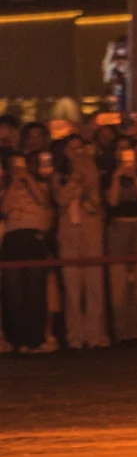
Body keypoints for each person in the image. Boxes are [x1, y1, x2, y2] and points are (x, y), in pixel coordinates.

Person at [52, 135, 109, 349]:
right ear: (65, 152)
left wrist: (86, 185)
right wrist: (75, 178)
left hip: (91, 231)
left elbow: (96, 204)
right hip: (69, 233)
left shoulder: (94, 172)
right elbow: (61, 199)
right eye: (72, 149)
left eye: (80, 148)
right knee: (72, 288)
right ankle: (74, 334)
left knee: (94, 284)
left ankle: (95, 334)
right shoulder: (59, 174)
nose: (76, 153)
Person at [0, 150, 56, 353]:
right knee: (13, 290)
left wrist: (27, 178)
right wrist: (14, 184)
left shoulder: (39, 184)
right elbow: (4, 209)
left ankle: (36, 339)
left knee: (35, 289)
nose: (19, 169)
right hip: (13, 238)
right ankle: (17, 339)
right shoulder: (6, 189)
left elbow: (43, 200)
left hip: (34, 237)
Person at [105, 139, 137, 344]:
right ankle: (122, 333)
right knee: (119, 285)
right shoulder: (109, 176)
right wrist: (117, 177)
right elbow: (113, 202)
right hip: (117, 228)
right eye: (121, 151)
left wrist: (135, 177)